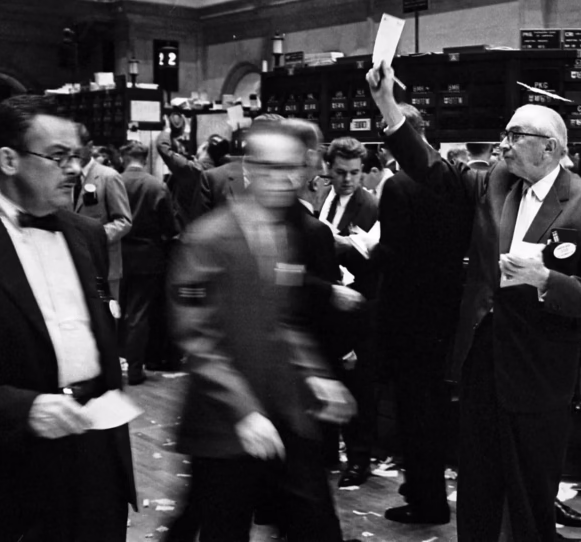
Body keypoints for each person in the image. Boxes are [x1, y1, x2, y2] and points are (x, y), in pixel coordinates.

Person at [367, 60, 581, 542]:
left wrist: (547, 279)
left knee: (530, 494)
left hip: (540, 368)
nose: (502, 144)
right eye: (503, 135)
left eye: (514, 135)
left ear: (549, 148)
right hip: (482, 360)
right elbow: (432, 168)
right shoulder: (493, 182)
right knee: (478, 487)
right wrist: (387, 106)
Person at [169, 118, 359, 542]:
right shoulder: (207, 238)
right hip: (225, 424)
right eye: (271, 168)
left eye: (292, 167)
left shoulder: (285, 234)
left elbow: (283, 322)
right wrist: (243, 411)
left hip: (284, 414)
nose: (283, 178)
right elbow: (198, 338)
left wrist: (315, 376)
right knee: (221, 526)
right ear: (249, 169)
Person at [0, 95, 135, 541]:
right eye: (58, 157)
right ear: (8, 159)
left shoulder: (87, 234)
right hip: (10, 468)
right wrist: (24, 410)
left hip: (98, 457)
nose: (75, 168)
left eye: (77, 156)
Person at [376, 104, 475, 525]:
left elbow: (392, 257)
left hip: (408, 317)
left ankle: (426, 498)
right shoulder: (455, 182)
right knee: (433, 409)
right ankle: (423, 487)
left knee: (414, 411)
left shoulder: (398, 186)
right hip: (445, 311)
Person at [316, 136, 380, 488]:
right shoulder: (321, 199)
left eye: (355, 173)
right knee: (326, 378)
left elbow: (375, 261)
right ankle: (327, 452)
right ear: (329, 169)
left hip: (357, 307)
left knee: (358, 389)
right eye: (341, 172)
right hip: (326, 305)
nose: (348, 180)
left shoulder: (370, 205)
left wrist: (339, 246)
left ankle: (359, 460)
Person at [119, 140, 180, 383]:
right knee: (139, 314)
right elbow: (170, 227)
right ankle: (135, 369)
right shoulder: (157, 186)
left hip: (117, 255)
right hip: (148, 257)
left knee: (113, 308)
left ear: (124, 158)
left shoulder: (113, 181)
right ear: (144, 159)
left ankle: (114, 364)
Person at [75, 124, 133, 302]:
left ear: (89, 146)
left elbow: (124, 221)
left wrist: (94, 237)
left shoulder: (109, 176)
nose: (72, 155)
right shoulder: (66, 176)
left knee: (107, 320)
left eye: (76, 150)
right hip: (75, 265)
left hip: (104, 264)